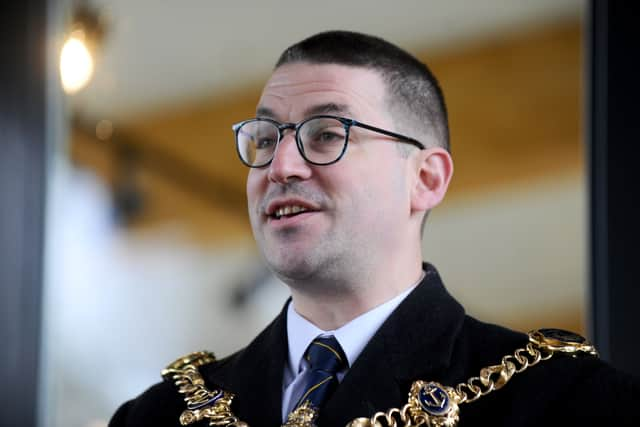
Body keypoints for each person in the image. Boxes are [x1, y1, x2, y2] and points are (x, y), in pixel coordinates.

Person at [109, 31, 638, 427]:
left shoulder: (564, 402)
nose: (280, 166)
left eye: (326, 134)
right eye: (266, 138)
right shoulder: (155, 417)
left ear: (425, 179)